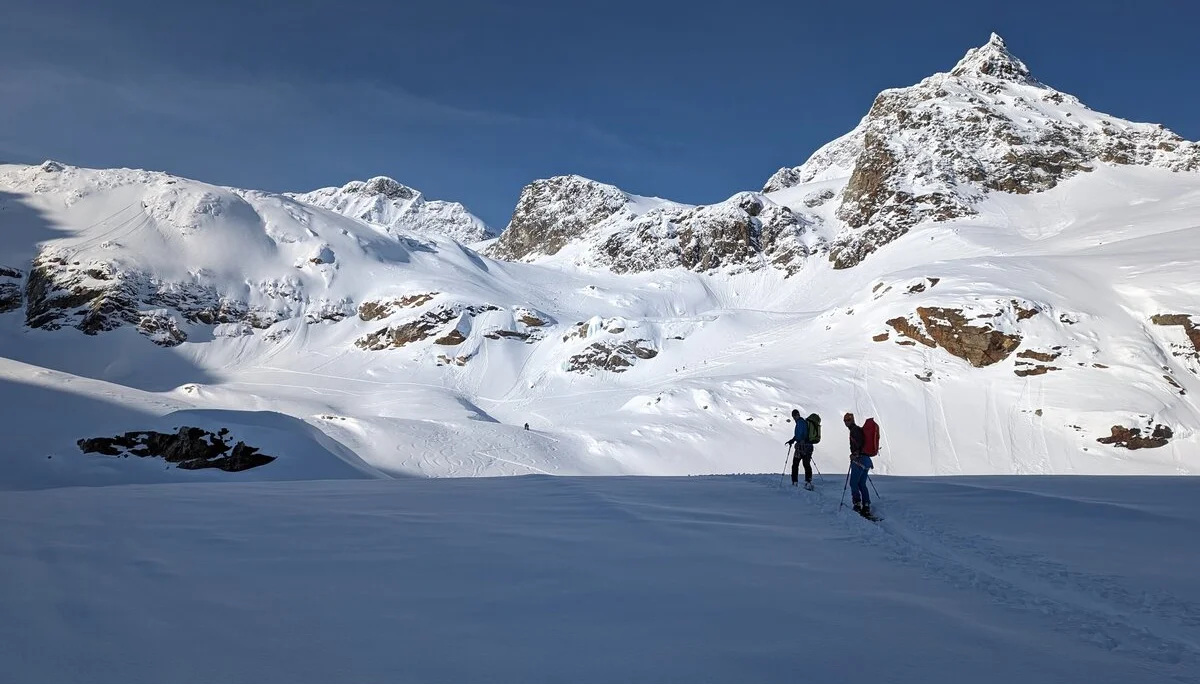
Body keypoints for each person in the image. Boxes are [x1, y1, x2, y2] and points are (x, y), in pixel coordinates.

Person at [844, 413, 873, 517]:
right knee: (861, 484)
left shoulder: (854, 430)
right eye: (845, 420)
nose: (846, 422)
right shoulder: (858, 429)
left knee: (853, 483)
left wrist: (855, 454)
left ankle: (857, 504)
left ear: (852, 420)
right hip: (866, 460)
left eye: (847, 420)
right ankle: (866, 505)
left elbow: (860, 443)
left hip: (859, 460)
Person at [785, 409, 814, 489]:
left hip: (803, 447)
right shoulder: (801, 422)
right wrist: (793, 440)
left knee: (796, 464)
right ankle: (808, 481)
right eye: (793, 416)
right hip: (807, 446)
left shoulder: (800, 423)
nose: (794, 418)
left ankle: (795, 482)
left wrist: (799, 440)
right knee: (806, 464)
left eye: (795, 416)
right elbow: (799, 435)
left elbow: (803, 434)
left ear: (797, 415)